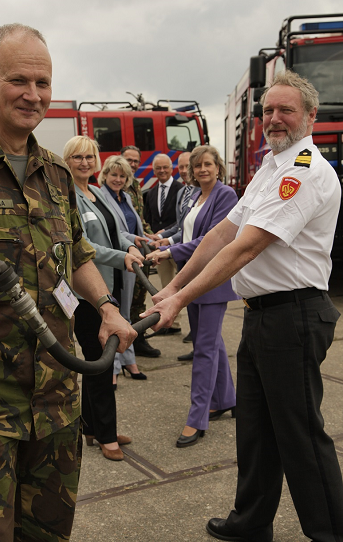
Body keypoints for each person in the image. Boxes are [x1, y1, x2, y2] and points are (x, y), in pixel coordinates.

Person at [0, 24, 136, 542]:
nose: (34, 95)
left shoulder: (55, 172)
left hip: (56, 402)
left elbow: (76, 253)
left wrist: (108, 307)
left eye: (43, 83)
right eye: (19, 80)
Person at [141, 71, 343, 542]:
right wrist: (173, 290)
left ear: (310, 116)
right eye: (267, 110)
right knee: (255, 428)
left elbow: (245, 248)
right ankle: (251, 521)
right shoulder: (270, 167)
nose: (273, 118)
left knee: (299, 435)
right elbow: (219, 235)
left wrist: (181, 299)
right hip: (263, 315)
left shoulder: (303, 169)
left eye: (285, 110)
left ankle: (332, 531)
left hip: (293, 315)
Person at [147, 146, 238, 447]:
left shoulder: (225, 196)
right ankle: (226, 399)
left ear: (218, 167)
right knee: (209, 342)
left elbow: (208, 241)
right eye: (197, 166)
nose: (202, 170)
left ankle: (196, 418)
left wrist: (169, 251)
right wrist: (166, 240)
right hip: (192, 278)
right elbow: (184, 230)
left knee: (204, 349)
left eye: (208, 164)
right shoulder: (192, 196)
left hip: (211, 282)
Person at [64, 135, 143, 462]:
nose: (84, 162)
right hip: (89, 294)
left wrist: (130, 246)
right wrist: (119, 255)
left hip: (115, 285)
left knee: (99, 363)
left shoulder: (96, 192)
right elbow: (83, 246)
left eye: (89, 156)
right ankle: (106, 435)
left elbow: (117, 230)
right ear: (67, 161)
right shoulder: (67, 197)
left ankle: (93, 427)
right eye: (77, 157)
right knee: (101, 362)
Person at [99, 155, 151, 385]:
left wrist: (145, 240)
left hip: (130, 260)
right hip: (113, 260)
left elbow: (131, 225)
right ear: (105, 175)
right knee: (114, 313)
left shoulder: (127, 198)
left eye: (122, 176)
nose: (118, 179)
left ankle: (128, 361)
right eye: (114, 174)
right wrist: (132, 240)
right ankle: (115, 366)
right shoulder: (99, 196)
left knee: (127, 312)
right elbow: (114, 231)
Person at [152, 151, 199, 343]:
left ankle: (198, 335)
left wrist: (169, 242)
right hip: (180, 249)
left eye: (188, 166)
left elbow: (194, 228)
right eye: (181, 167)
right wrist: (161, 236)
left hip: (194, 251)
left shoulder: (202, 191)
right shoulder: (183, 192)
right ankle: (195, 335)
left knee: (194, 294)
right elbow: (180, 225)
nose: (184, 171)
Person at [120, 145, 162, 357]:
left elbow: (140, 219)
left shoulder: (135, 186)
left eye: (136, 160)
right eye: (129, 159)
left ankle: (138, 339)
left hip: (140, 249)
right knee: (126, 299)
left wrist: (151, 236)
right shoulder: (118, 183)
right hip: (125, 251)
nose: (133, 164)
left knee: (139, 297)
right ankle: (128, 343)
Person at [143, 153, 183, 334]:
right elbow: (150, 218)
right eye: (158, 168)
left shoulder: (181, 190)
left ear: (171, 168)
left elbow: (182, 220)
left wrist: (165, 234)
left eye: (165, 167)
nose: (162, 171)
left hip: (178, 245)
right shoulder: (151, 193)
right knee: (166, 285)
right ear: (154, 171)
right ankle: (171, 323)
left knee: (184, 283)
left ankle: (192, 324)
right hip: (159, 249)